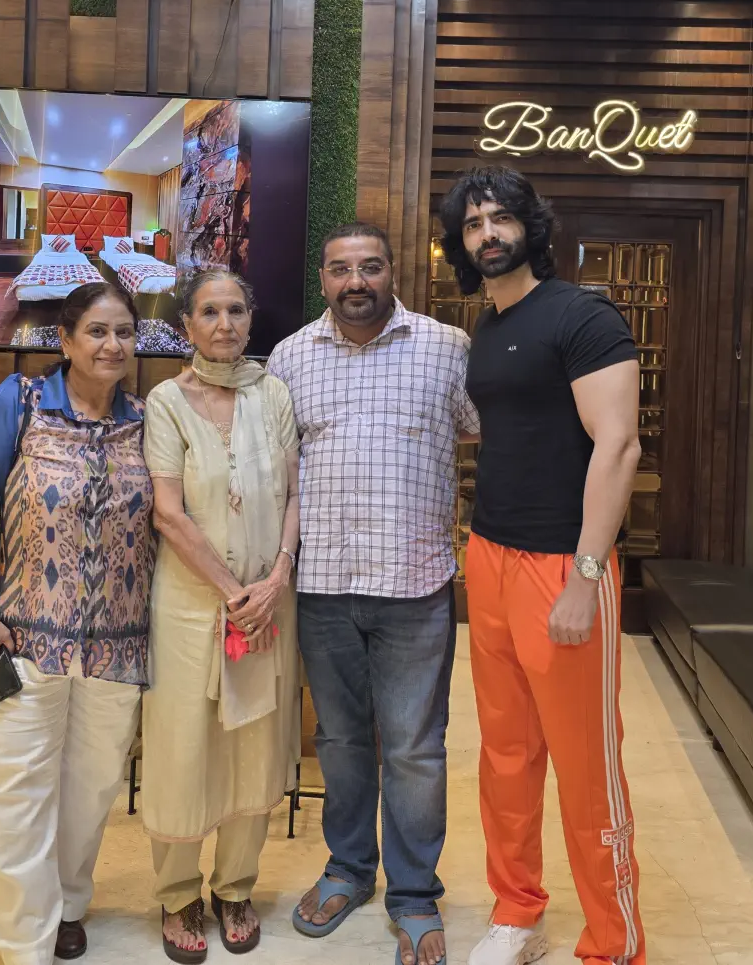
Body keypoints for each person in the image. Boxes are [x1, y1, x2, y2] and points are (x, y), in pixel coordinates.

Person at [440, 167, 645, 965]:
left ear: (530, 225)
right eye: (472, 223)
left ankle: (613, 943)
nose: (487, 233)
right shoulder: (488, 324)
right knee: (506, 755)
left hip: (564, 563)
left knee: (587, 767)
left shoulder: (582, 315)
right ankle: (517, 912)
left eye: (500, 218)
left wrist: (586, 577)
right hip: (490, 555)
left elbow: (618, 446)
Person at [267, 223, 479, 965]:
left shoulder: (447, 348)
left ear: (393, 272)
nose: (355, 281)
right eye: (340, 269)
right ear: (323, 278)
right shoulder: (290, 357)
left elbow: (482, 433)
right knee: (341, 740)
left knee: (415, 748)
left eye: (370, 267)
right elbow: (279, 469)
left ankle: (414, 893)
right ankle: (349, 870)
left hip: (415, 583)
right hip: (323, 584)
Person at [0, 281, 156, 965]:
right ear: (65, 340)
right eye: (96, 331)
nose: (112, 344)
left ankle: (65, 905)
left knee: (90, 794)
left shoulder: (147, 421)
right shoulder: (20, 403)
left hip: (117, 652)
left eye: (124, 331)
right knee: (16, 796)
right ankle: (24, 945)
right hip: (23, 643)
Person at [141, 269, 302, 964]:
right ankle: (178, 894)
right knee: (182, 747)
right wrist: (234, 592)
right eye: (209, 311)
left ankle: (236, 887)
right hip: (189, 608)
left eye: (236, 309)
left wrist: (278, 576)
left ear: (251, 319)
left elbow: (294, 493)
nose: (225, 323)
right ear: (187, 325)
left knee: (254, 744)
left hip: (269, 605)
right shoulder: (166, 401)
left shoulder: (274, 395)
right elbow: (168, 512)